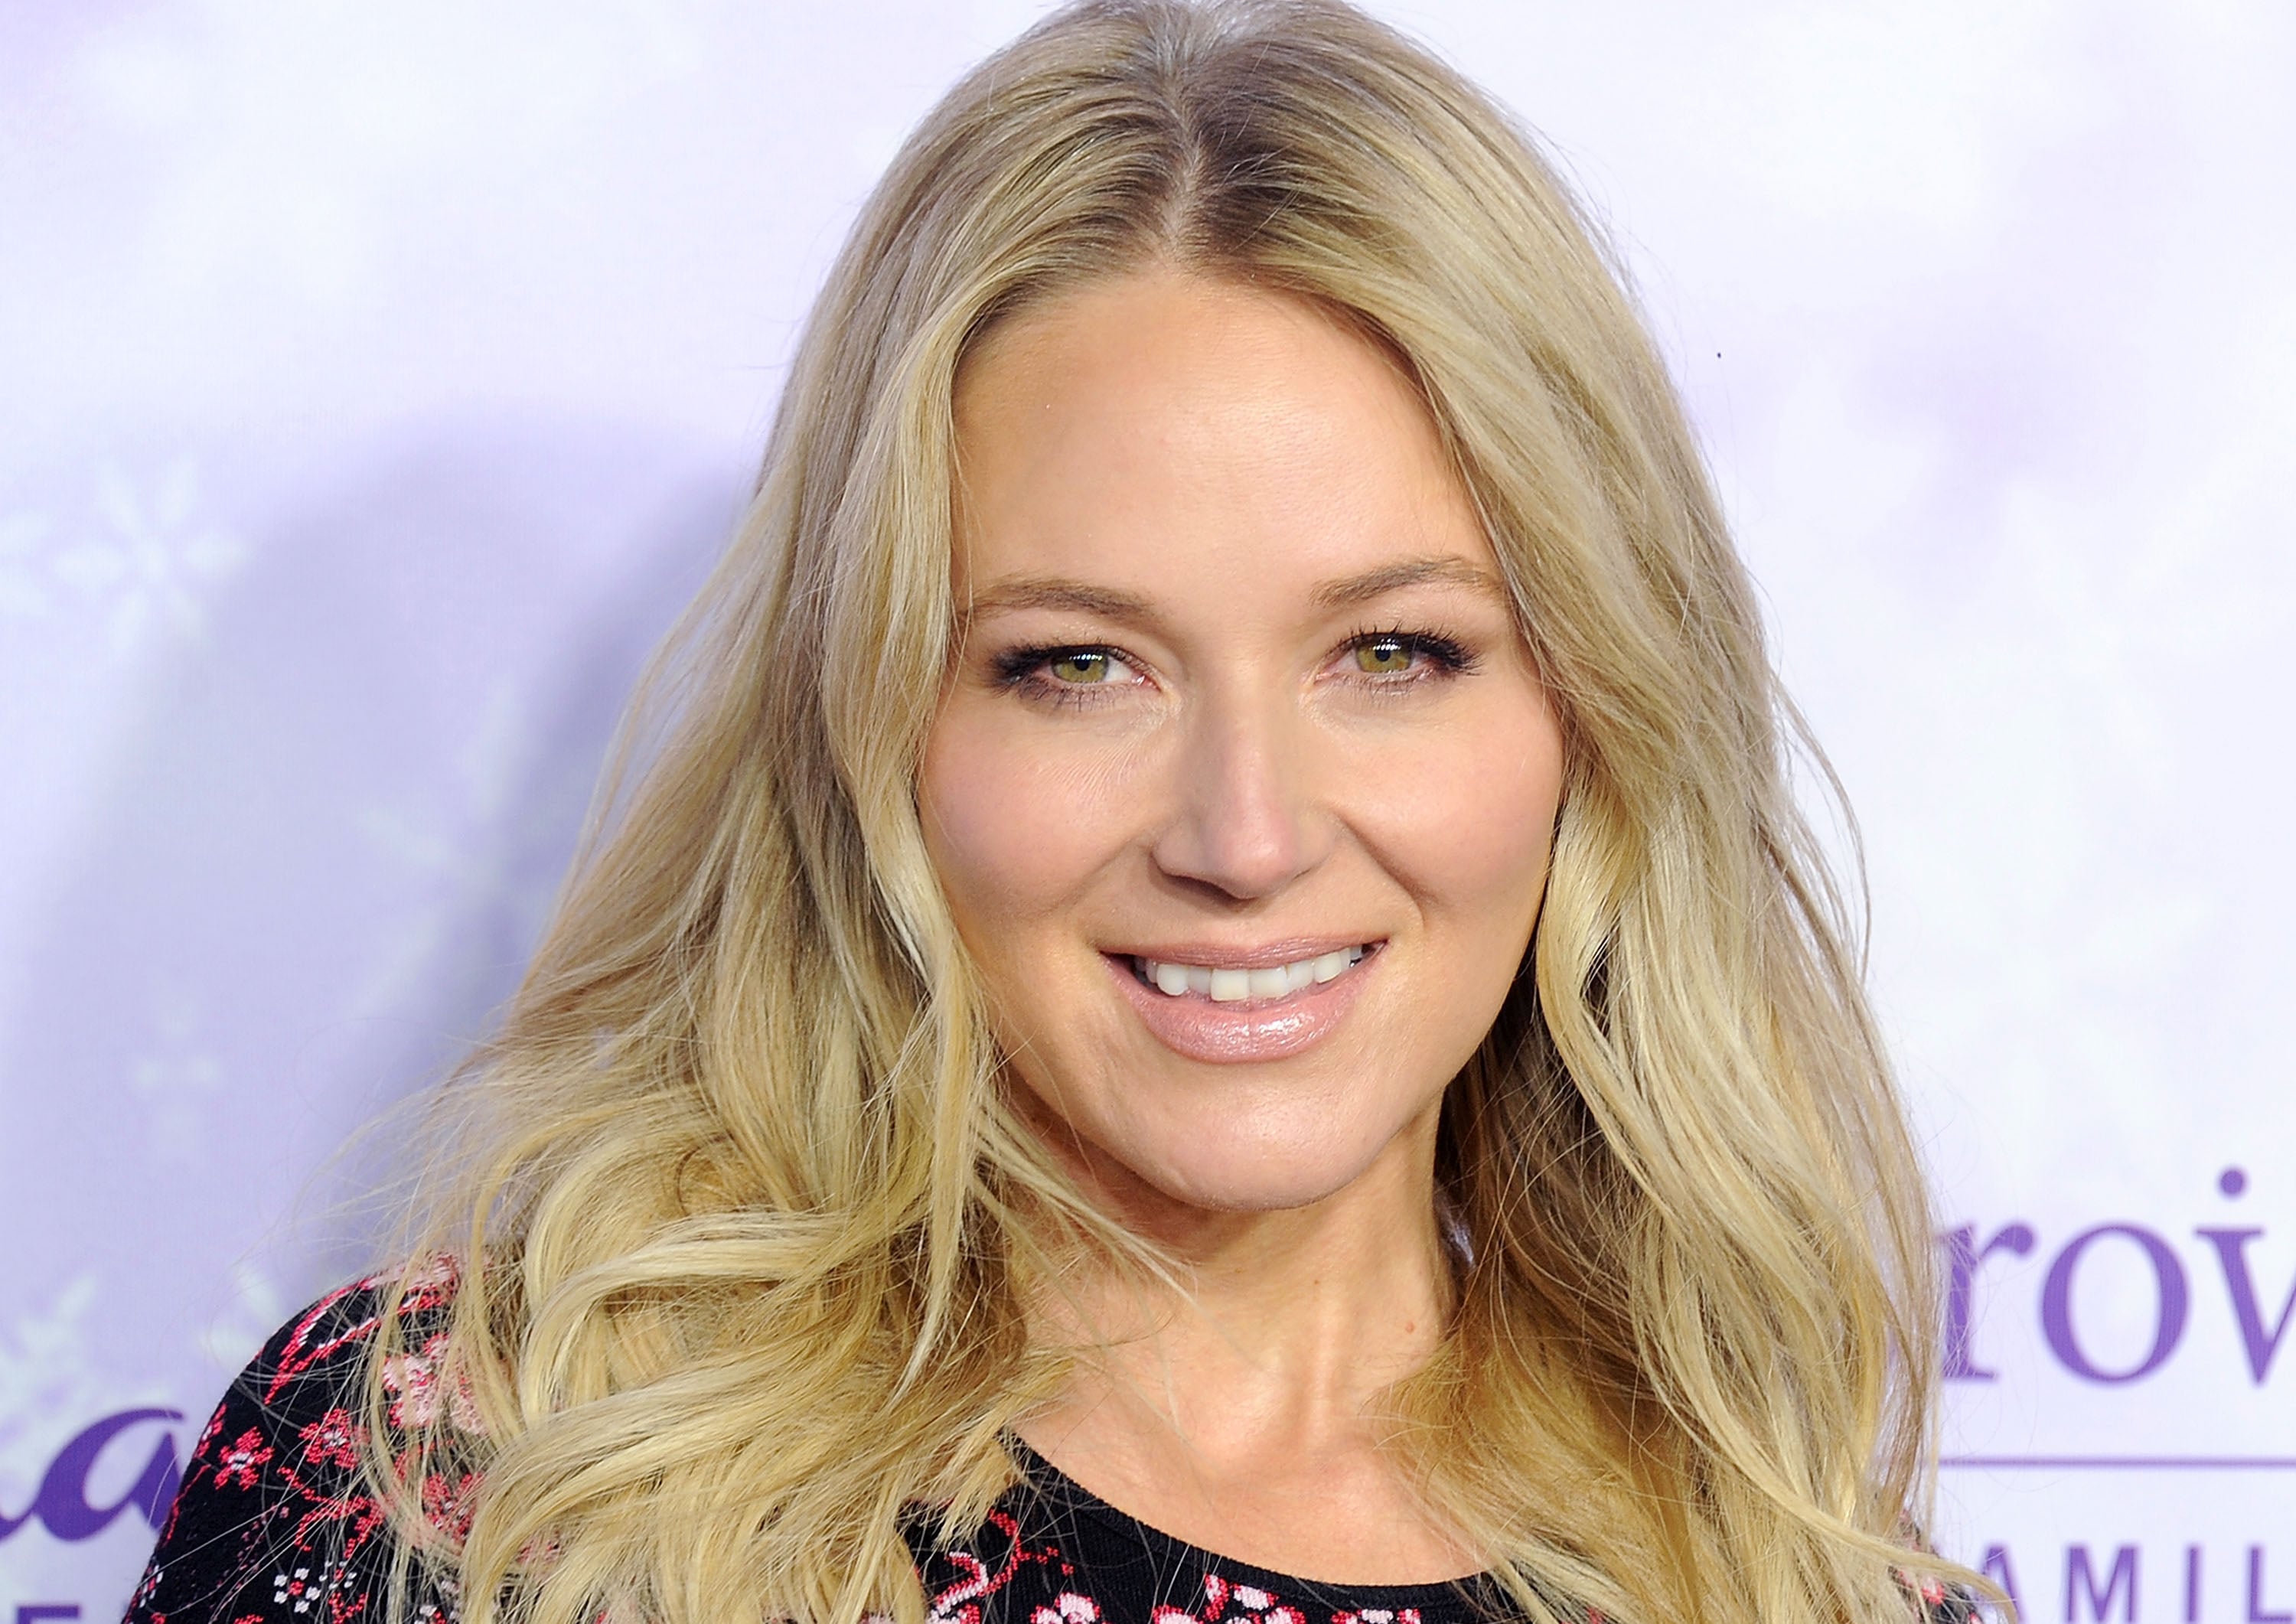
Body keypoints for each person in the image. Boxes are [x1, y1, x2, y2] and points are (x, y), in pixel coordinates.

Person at [125, 4, 1981, 1623]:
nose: (1245, 835)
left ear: (1595, 710)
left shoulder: (1792, 1584)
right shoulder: (479, 1481)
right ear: (879, 721)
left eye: (1395, 652)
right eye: (1079, 663)